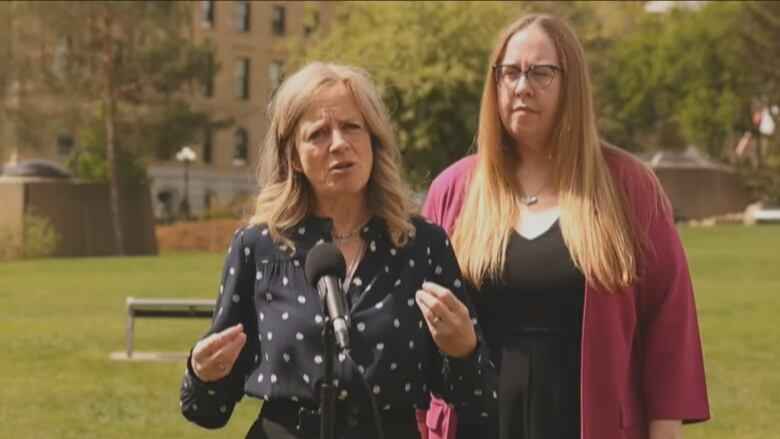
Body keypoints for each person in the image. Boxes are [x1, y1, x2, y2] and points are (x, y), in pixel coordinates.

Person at [422, 14, 710, 439]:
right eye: (510, 73)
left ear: (571, 83)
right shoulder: (454, 190)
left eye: (541, 72)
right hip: (480, 427)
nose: (522, 87)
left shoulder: (628, 187)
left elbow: (669, 330)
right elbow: (419, 334)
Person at [179, 62, 497, 439]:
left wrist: (464, 351)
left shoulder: (423, 246)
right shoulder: (257, 248)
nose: (339, 143)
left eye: (351, 127)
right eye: (317, 134)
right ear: (294, 157)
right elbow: (208, 411)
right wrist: (201, 374)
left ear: (373, 140)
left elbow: (480, 402)